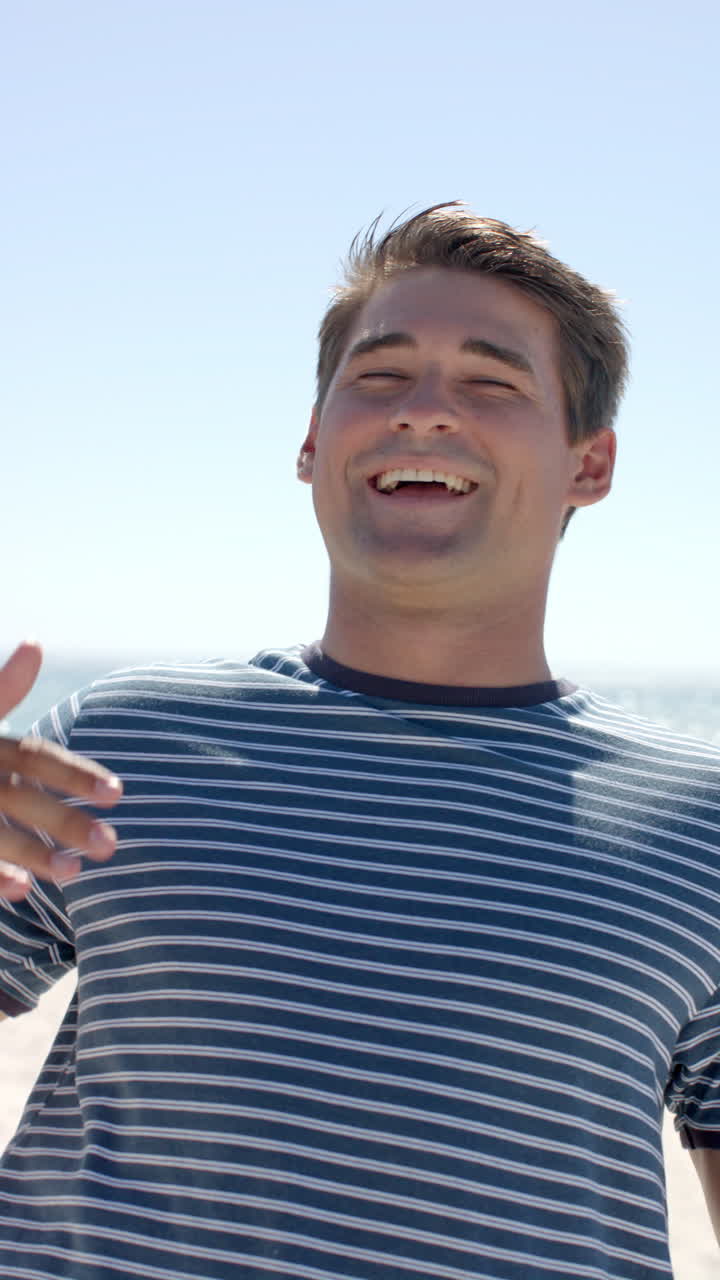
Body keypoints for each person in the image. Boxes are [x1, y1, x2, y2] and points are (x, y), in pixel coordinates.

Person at [0, 201, 718, 1279]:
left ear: (590, 461)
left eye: (493, 381)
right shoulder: (115, 743)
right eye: (379, 375)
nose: (424, 411)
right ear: (310, 439)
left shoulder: (699, 822)